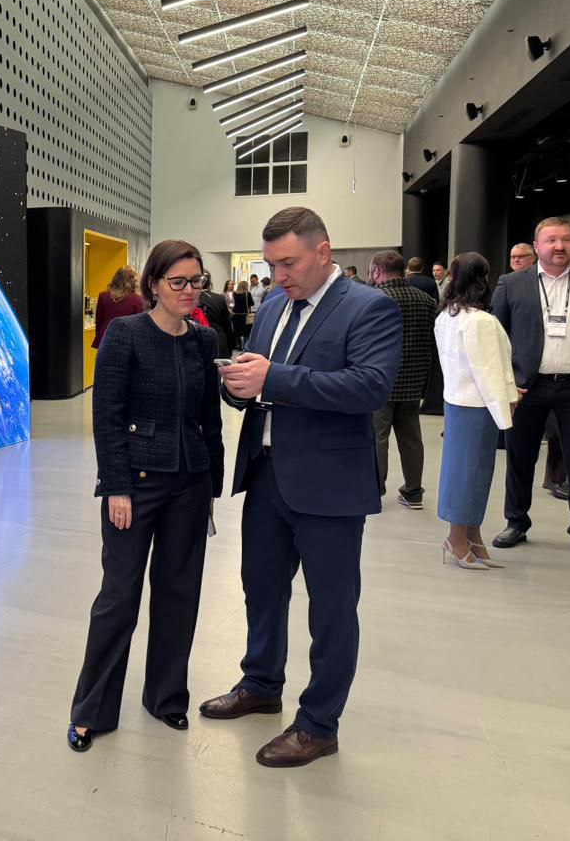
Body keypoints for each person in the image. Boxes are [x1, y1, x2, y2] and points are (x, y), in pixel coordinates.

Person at [204, 207, 401, 768]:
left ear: (323, 251)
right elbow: (259, 378)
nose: (279, 275)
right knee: (261, 588)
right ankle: (261, 683)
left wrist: (273, 379)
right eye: (271, 265)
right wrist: (239, 386)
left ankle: (318, 723)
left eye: (288, 263)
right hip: (266, 473)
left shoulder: (368, 307)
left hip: (330, 485)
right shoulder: (272, 306)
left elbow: (369, 387)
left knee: (331, 608)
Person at [68, 241, 225, 752]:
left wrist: (212, 483)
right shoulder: (126, 334)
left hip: (190, 484)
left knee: (180, 593)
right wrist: (116, 485)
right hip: (134, 485)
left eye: (197, 281)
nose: (189, 290)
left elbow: (210, 418)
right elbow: (107, 415)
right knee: (119, 598)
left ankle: (166, 697)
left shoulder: (204, 340)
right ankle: (91, 710)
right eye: (178, 281)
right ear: (154, 284)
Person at [490, 217, 570, 560]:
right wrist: (506, 382)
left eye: (566, 239)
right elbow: (497, 337)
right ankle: (516, 521)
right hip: (527, 389)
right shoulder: (511, 284)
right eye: (551, 240)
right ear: (537, 247)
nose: (560, 246)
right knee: (520, 458)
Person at [434, 252, 518, 569]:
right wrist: (505, 405)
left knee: (470, 472)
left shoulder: (447, 316)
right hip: (478, 405)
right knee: (469, 474)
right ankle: (456, 538)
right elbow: (488, 371)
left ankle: (471, 535)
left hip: (458, 402)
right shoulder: (480, 321)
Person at [368, 250, 436, 509]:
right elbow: (432, 342)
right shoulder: (426, 301)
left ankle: (374, 490)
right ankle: (413, 491)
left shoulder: (372, 300)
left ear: (377, 271)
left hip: (379, 382)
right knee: (411, 439)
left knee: (377, 438)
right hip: (413, 382)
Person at [92, 265, 144, 349]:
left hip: (104, 339)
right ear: (133, 281)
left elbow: (99, 321)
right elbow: (140, 325)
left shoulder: (103, 296)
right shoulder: (137, 299)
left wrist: (99, 337)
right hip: (125, 341)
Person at [198, 278, 235, 358]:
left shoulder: (188, 299)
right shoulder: (219, 298)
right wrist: (230, 347)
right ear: (209, 283)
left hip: (197, 342)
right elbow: (227, 326)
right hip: (218, 339)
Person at [231, 280, 255, 351]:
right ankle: (245, 346)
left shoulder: (234, 294)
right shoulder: (248, 294)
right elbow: (252, 303)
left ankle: (239, 346)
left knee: (237, 331)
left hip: (236, 315)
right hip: (245, 315)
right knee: (246, 332)